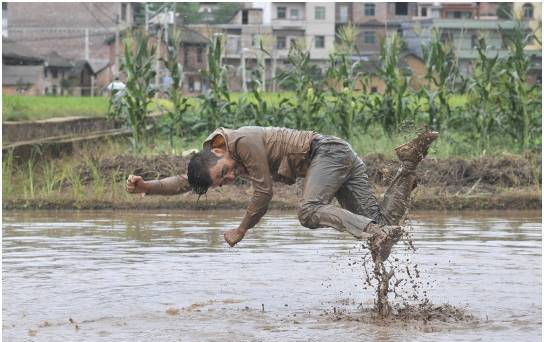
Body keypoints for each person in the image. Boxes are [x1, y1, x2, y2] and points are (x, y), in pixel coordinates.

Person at [127, 126, 438, 263]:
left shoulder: (244, 143)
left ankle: (373, 231)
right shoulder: (218, 157)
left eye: (225, 173)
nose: (231, 178)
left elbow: (264, 192)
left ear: (218, 150)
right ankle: (408, 166)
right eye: (223, 182)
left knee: (308, 211)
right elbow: (183, 181)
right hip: (336, 157)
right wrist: (146, 186)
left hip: (327, 153)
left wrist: (242, 229)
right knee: (380, 249)